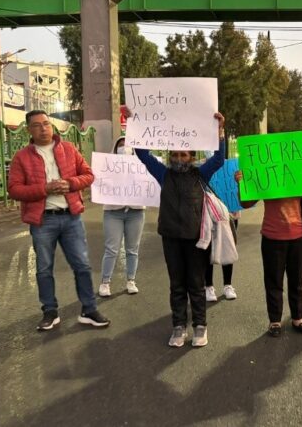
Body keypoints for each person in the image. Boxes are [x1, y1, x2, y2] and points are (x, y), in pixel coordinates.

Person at [8, 110, 110, 331]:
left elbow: (89, 174)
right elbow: (14, 189)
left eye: (46, 123)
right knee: (44, 268)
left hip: (71, 218)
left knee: (82, 265)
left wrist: (71, 183)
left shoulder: (69, 149)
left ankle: (89, 309)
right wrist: (44, 189)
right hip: (42, 221)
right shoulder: (22, 157)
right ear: (29, 130)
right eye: (37, 125)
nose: (43, 128)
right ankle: (50, 311)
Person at [135, 113, 226, 348]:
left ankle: (199, 326)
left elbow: (218, 160)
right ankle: (178, 326)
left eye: (183, 154)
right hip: (171, 238)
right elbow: (143, 155)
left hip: (196, 239)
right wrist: (137, 124)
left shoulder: (200, 174)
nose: (177, 158)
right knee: (176, 284)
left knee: (196, 284)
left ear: (191, 157)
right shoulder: (164, 173)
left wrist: (220, 131)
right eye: (174, 154)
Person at [235, 152, 302, 338]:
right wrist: (242, 184)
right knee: (273, 281)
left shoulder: (299, 174)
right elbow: (246, 203)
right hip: (272, 235)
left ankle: (297, 318)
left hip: (298, 235)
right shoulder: (265, 173)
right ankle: (275, 320)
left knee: (297, 280)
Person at [98, 136, 145, 297]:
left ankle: (131, 280)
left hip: (136, 212)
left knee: (133, 249)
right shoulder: (107, 166)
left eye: (128, 145)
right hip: (113, 212)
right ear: (115, 148)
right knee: (111, 249)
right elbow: (99, 182)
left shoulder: (140, 165)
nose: (124, 148)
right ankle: (105, 282)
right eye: (121, 145)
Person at [205, 212, 239, 302]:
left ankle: (228, 285)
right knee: (208, 246)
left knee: (228, 245)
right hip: (207, 209)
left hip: (228, 211)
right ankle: (208, 286)